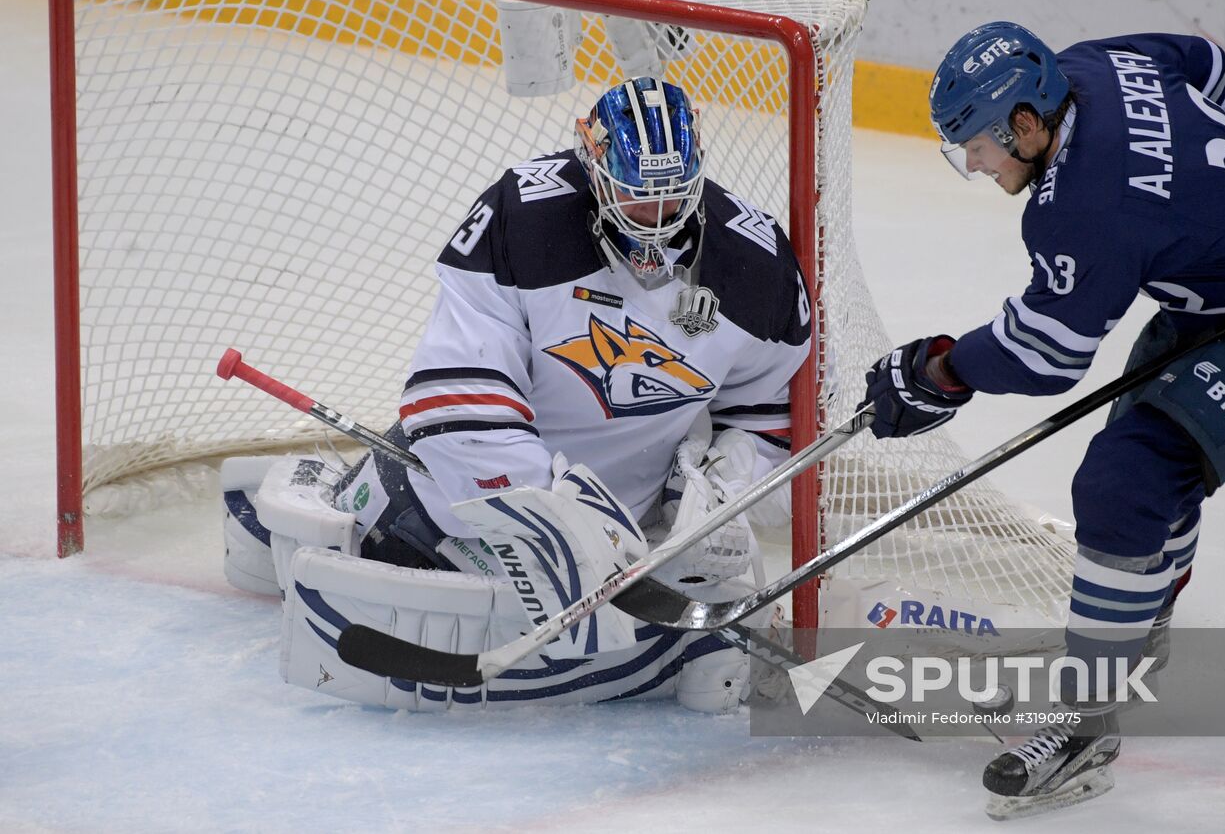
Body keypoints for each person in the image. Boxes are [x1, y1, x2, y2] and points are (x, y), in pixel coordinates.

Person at [862, 22, 1225, 819]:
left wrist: (942, 372)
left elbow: (1047, 353)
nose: (973, 165)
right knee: (1148, 471)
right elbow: (1210, 64)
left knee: (1126, 478)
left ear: (1028, 124)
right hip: (1216, 284)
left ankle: (1082, 723)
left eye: (977, 145)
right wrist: (1204, 200)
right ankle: (1145, 612)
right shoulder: (1094, 65)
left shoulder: (1086, 207)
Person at [222, 76, 811, 712]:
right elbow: (456, 395)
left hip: (632, 528)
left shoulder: (757, 264)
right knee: (376, 540)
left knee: (710, 563)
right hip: (467, 502)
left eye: (673, 199)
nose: (657, 224)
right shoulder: (526, 217)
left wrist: (710, 493)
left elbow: (769, 416)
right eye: (636, 199)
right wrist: (556, 516)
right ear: (593, 169)